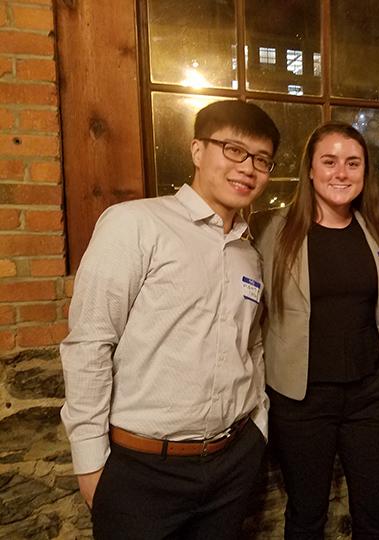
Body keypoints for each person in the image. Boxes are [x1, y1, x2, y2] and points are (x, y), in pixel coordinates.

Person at [60, 100, 280, 539]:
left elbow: (250, 346)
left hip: (231, 461)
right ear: (198, 150)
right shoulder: (135, 225)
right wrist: (89, 464)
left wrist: (258, 427)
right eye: (233, 150)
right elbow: (89, 343)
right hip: (142, 471)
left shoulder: (247, 252)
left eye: (261, 159)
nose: (248, 168)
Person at [252, 121, 379, 540]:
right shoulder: (271, 231)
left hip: (370, 395)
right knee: (306, 515)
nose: (341, 173)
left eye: (353, 163)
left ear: (365, 172)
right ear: (310, 171)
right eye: (329, 162)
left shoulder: (378, 229)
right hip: (301, 398)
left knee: (377, 512)